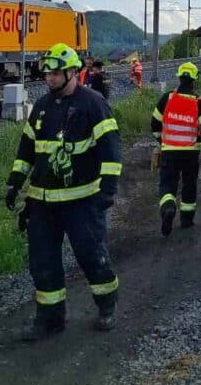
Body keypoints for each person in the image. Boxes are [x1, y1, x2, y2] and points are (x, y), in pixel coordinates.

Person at [6, 43, 122, 340]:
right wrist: (15, 182)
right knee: (43, 262)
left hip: (82, 201)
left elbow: (111, 151)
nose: (50, 78)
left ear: (72, 72)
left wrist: (107, 192)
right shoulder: (42, 107)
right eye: (47, 73)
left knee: (91, 255)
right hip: (42, 203)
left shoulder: (93, 104)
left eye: (56, 73)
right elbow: (27, 149)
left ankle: (107, 306)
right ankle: (50, 319)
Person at [150, 62, 201, 236]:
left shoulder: (167, 98)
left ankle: (168, 207)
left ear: (179, 78)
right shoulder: (199, 102)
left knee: (167, 184)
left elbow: (154, 123)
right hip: (191, 153)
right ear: (194, 80)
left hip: (169, 151)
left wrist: (161, 140)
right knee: (189, 184)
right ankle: (186, 220)